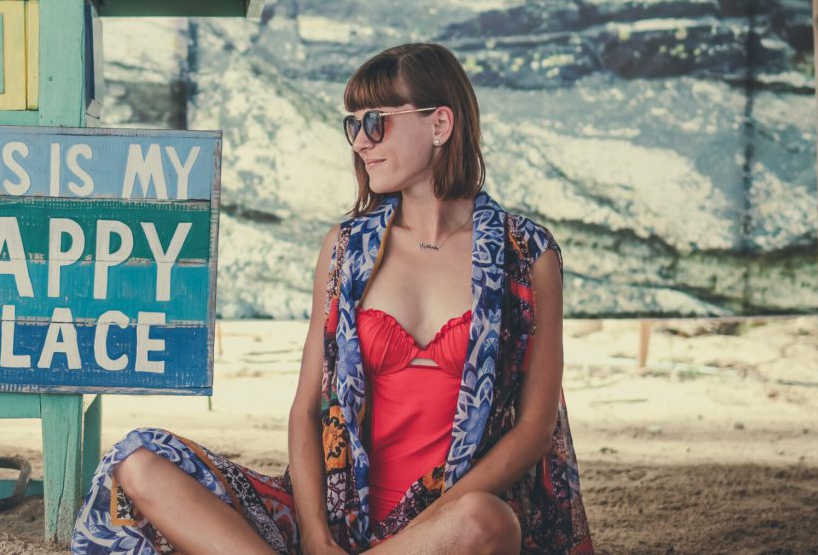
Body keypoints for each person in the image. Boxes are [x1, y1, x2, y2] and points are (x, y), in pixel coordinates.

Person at [71, 43, 594, 554]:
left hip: (445, 526)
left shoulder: (526, 253)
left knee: (487, 521)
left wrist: (428, 528)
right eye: (353, 124)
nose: (360, 141)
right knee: (138, 459)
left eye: (376, 121)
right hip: (341, 515)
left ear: (440, 124)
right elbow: (306, 409)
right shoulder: (346, 248)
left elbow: (534, 429)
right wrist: (318, 536)